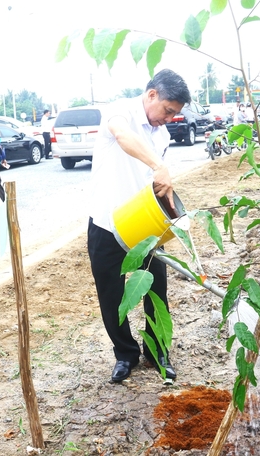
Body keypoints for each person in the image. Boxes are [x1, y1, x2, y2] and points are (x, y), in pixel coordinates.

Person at [87, 68, 191, 383]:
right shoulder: (120, 112)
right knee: (112, 293)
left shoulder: (162, 135)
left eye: (175, 114)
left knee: (156, 290)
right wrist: (159, 165)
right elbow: (123, 137)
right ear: (151, 95)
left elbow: (152, 183)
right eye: (168, 111)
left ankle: (157, 351)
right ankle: (125, 354)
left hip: (145, 226)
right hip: (107, 223)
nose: (169, 118)